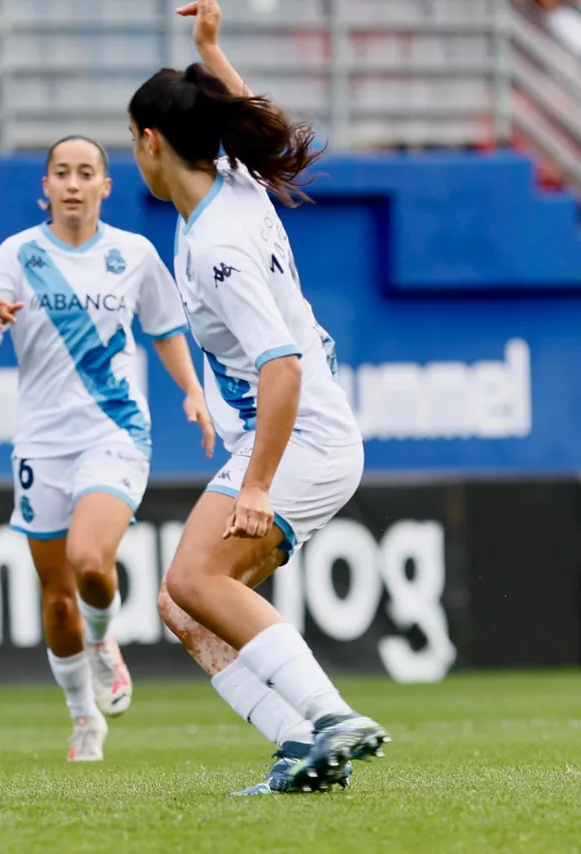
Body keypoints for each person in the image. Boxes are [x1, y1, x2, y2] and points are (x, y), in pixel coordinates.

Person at [127, 0, 388, 795]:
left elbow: (281, 367)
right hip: (294, 434)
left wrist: (258, 485)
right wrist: (211, 48)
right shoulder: (227, 186)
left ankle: (329, 714)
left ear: (150, 142)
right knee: (183, 607)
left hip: (300, 437)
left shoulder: (218, 246)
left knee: (198, 583)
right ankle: (299, 746)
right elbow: (237, 122)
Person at [0, 135, 214, 762]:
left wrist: (193, 392)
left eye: (86, 173)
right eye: (62, 173)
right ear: (45, 187)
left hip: (116, 431)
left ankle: (104, 645)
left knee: (91, 563)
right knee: (56, 598)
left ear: (105, 186)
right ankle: (83, 719)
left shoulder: (134, 254)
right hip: (42, 443)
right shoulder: (17, 256)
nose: (73, 184)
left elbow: (166, 328)